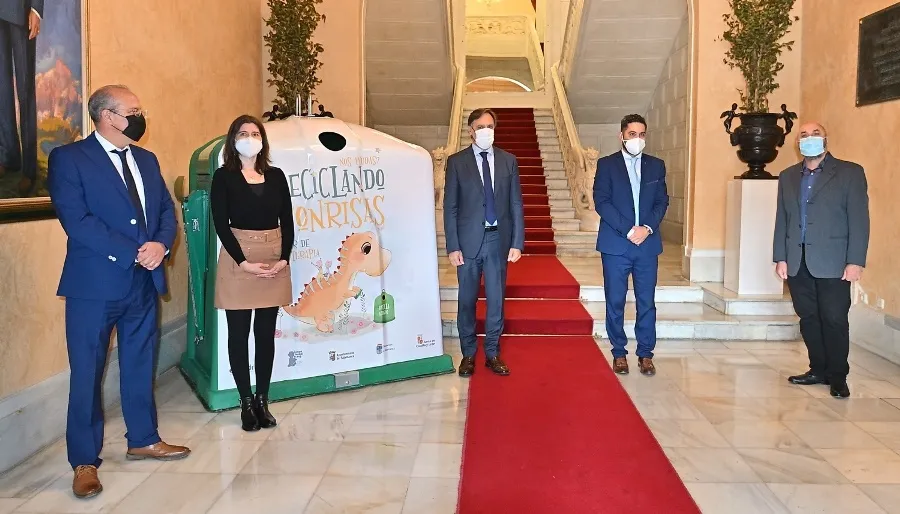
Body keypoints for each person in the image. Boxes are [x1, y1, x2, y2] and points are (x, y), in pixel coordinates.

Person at [48, 85, 189, 500]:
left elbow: (165, 210)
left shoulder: (146, 160)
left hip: (142, 285)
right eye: (134, 110)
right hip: (94, 286)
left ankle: (143, 438)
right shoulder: (69, 159)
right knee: (87, 373)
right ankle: (84, 461)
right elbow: (78, 221)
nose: (141, 116)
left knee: (139, 362)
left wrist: (161, 245)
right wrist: (134, 252)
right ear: (108, 116)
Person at [773, 122, 869, 399]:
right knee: (809, 318)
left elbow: (860, 221)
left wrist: (855, 261)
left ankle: (838, 376)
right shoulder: (788, 176)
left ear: (826, 139)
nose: (809, 138)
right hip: (797, 260)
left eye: (815, 134)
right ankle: (818, 369)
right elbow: (783, 219)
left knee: (834, 318)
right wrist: (781, 256)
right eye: (803, 135)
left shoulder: (850, 173)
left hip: (834, 262)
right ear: (797, 143)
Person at [211, 114, 293, 431]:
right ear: (233, 139)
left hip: (273, 257)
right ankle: (245, 401)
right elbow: (221, 224)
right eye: (243, 133)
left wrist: (283, 258)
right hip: (238, 257)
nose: (250, 137)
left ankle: (262, 399)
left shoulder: (276, 176)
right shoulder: (223, 177)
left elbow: (287, 220)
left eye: (255, 133)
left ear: (263, 140)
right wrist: (243, 262)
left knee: (264, 335)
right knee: (238, 333)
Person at [443, 108, 524, 377]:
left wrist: (517, 242)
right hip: (466, 242)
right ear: (471, 131)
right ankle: (468, 353)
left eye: (490, 125)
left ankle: (492, 352)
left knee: (496, 299)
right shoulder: (456, 162)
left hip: (497, 239)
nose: (486, 130)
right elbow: (450, 207)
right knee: (466, 299)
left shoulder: (508, 161)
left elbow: (515, 203)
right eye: (480, 126)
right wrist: (452, 245)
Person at [593, 114, 669, 376]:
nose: (637, 139)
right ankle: (619, 352)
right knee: (615, 300)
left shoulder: (656, 166)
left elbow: (662, 201)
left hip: (647, 245)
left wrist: (646, 228)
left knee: (646, 301)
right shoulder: (606, 165)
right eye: (632, 134)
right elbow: (601, 202)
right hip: (616, 245)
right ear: (622, 136)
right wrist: (628, 230)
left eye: (642, 134)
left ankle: (646, 354)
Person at [0, 0, 42, 195]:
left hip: (20, 9)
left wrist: (36, 8)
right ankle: (9, 157)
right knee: (1, 89)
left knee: (25, 91)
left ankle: (29, 169)